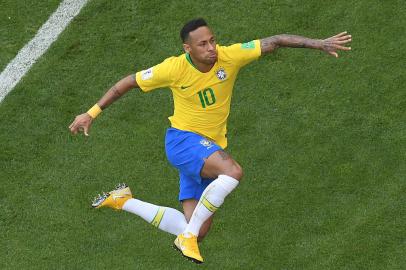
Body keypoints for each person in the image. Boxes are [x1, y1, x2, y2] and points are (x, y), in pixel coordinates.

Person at [69, 18, 351, 263]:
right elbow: (126, 83)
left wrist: (319, 43)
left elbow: (275, 41)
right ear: (187, 49)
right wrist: (91, 113)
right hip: (183, 142)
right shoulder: (173, 68)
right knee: (233, 172)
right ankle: (187, 237)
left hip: (208, 150)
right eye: (202, 44)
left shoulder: (230, 56)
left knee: (197, 228)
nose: (211, 48)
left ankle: (123, 200)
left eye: (213, 40)